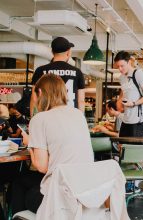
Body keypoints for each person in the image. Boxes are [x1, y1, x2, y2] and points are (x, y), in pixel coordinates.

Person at [11, 74, 94, 215]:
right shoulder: (78, 115)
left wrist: (29, 142)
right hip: (84, 193)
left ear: (40, 93)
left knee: (18, 184)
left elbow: (42, 167)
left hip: (59, 202)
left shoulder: (39, 119)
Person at [30, 37, 85, 116]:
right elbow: (81, 101)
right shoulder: (77, 72)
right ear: (68, 52)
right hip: (70, 117)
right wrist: (80, 120)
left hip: (47, 117)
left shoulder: (40, 70)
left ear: (52, 52)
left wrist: (33, 119)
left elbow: (34, 98)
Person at [108, 51, 143, 137]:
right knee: (122, 145)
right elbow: (125, 90)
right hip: (126, 118)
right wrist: (119, 100)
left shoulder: (138, 74)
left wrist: (134, 103)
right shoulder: (122, 78)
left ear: (129, 62)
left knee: (133, 148)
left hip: (138, 120)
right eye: (118, 66)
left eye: (122, 66)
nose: (120, 69)